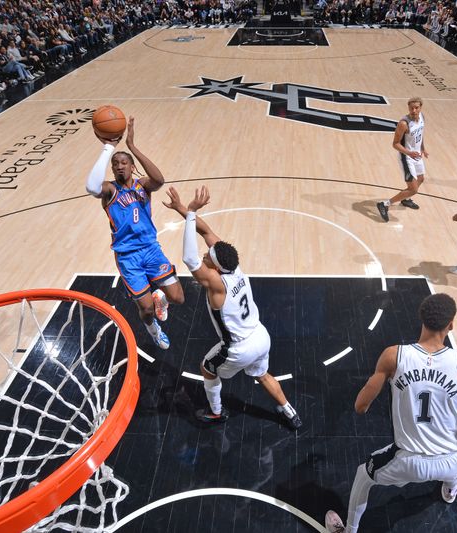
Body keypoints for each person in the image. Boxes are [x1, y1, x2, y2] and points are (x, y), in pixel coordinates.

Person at [324, 293, 457, 533]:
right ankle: (449, 490)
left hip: (408, 462)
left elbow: (360, 407)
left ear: (421, 319)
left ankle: (350, 530)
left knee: (362, 475)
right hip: (451, 462)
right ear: (451, 325)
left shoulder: (394, 356)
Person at [163, 186, 303, 429]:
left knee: (207, 368)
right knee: (263, 375)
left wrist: (192, 211)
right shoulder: (231, 265)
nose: (206, 254)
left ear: (215, 268)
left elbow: (189, 258)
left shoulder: (217, 284)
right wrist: (184, 211)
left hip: (239, 347)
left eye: (208, 256)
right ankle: (289, 411)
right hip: (260, 335)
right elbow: (205, 231)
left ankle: (216, 412)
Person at [85, 116, 185, 349]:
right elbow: (91, 187)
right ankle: (153, 329)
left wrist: (131, 146)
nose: (119, 166)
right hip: (128, 257)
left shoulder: (143, 185)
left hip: (151, 250)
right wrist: (108, 147)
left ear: (131, 166)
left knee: (178, 298)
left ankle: (160, 298)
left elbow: (159, 179)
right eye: (115, 163)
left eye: (123, 162)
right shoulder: (110, 189)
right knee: (146, 309)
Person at [376, 97, 429, 222]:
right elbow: (395, 144)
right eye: (411, 108)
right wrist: (409, 153)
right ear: (408, 108)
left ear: (421, 108)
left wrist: (423, 148)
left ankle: (405, 199)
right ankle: (384, 204)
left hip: (416, 155)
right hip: (406, 157)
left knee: (421, 178)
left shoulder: (422, 117)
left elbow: (420, 136)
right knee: (413, 189)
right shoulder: (403, 123)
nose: (414, 110)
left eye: (416, 108)